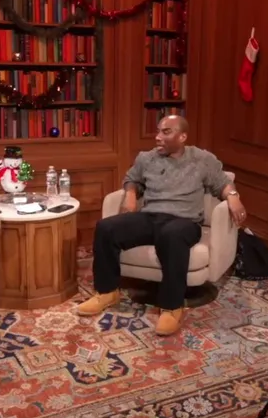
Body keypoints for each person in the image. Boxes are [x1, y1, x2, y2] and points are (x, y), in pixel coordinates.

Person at [78, 115, 246, 336]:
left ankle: (171, 307)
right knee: (106, 228)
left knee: (171, 234)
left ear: (182, 136)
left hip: (184, 222)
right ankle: (107, 292)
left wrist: (233, 197)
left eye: (166, 132)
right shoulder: (147, 158)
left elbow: (222, 182)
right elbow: (132, 179)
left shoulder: (201, 159)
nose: (158, 137)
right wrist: (130, 195)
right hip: (150, 217)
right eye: (158, 131)